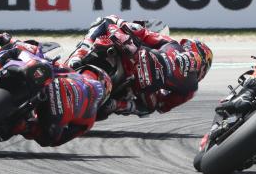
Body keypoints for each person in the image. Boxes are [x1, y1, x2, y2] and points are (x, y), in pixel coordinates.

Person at [0, 33, 112, 147]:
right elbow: (57, 140)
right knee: (48, 136)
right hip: (54, 113)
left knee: (19, 50)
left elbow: (36, 55)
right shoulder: (89, 119)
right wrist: (30, 129)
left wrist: (9, 41)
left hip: (51, 85)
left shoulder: (72, 73)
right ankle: (22, 125)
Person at [66, 15, 213, 117]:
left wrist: (154, 92)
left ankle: (115, 104)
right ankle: (78, 55)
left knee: (148, 108)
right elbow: (144, 34)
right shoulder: (170, 44)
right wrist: (128, 31)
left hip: (140, 86)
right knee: (104, 22)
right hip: (129, 56)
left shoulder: (188, 90)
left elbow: (162, 106)